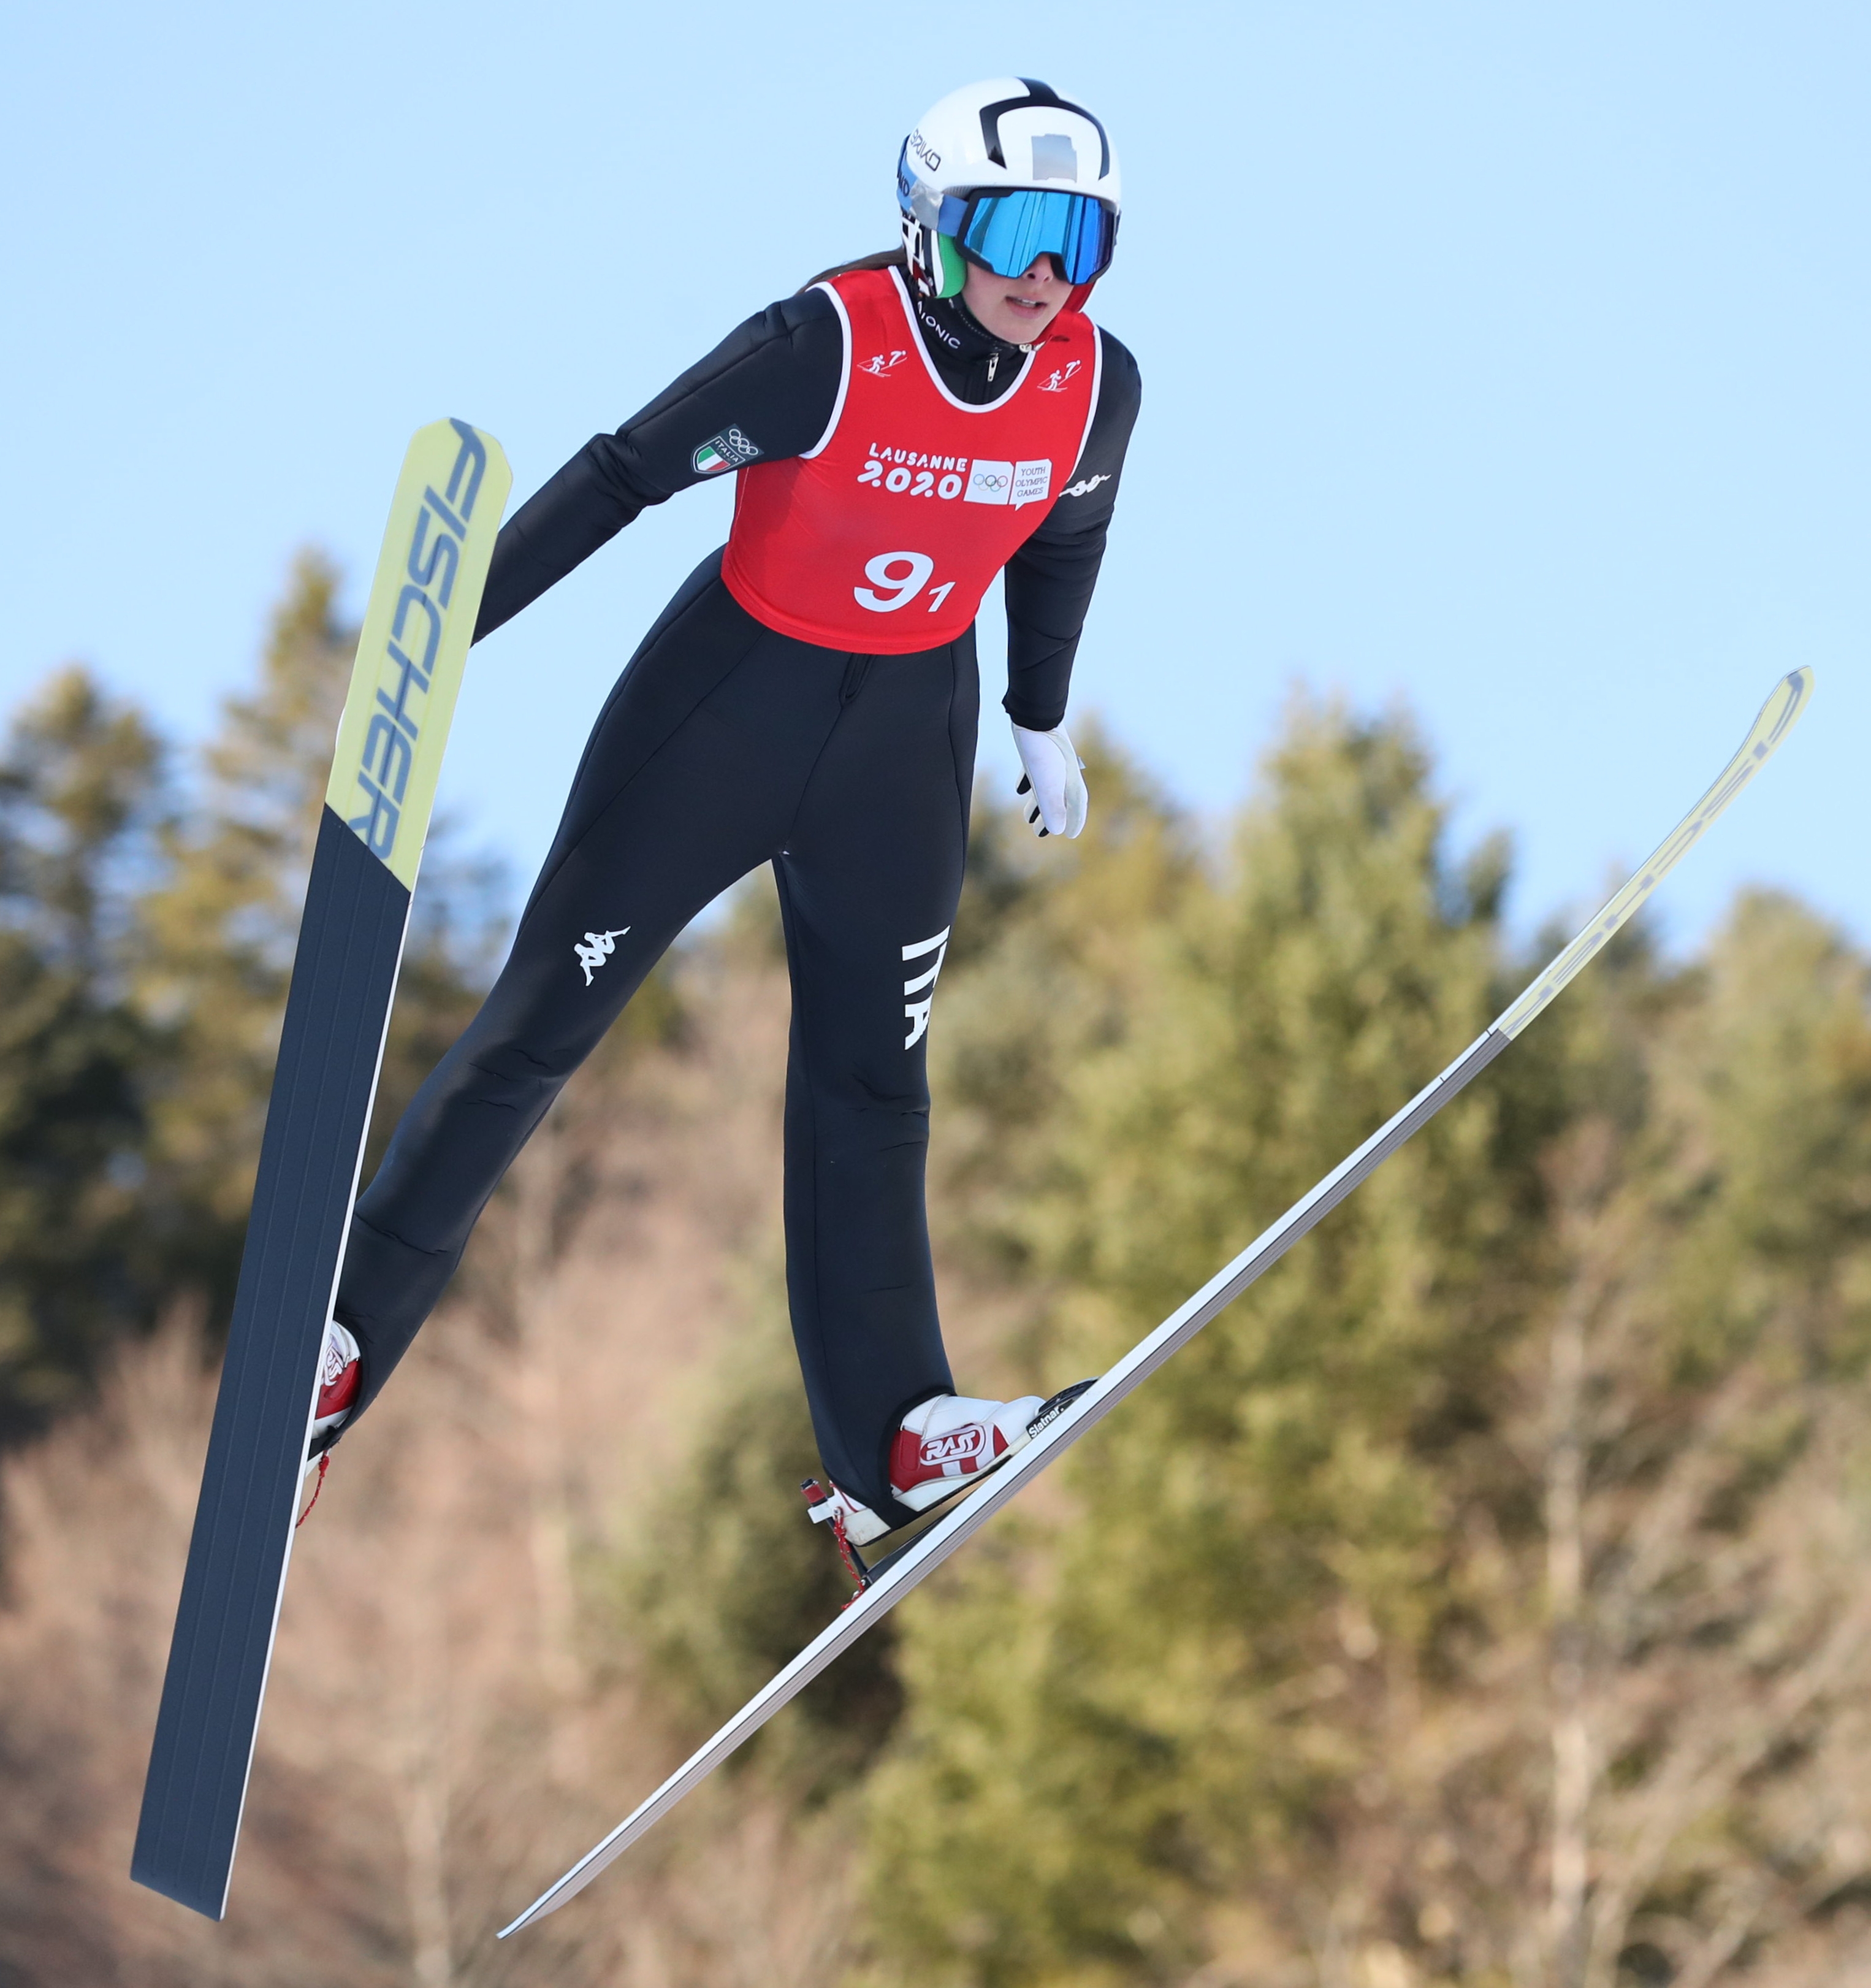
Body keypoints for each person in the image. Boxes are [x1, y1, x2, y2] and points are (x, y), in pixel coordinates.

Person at [307, 77, 1142, 1550]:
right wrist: (442, 633)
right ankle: (337, 1351)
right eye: (1012, 227)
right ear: (930, 220)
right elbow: (627, 473)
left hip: (903, 742)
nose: (1042, 273)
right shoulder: (826, 339)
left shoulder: (1095, 379)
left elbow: (1065, 536)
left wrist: (1034, 707)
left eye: (1079, 240)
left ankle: (887, 1444)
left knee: (873, 1083)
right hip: (724, 710)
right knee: (537, 1029)